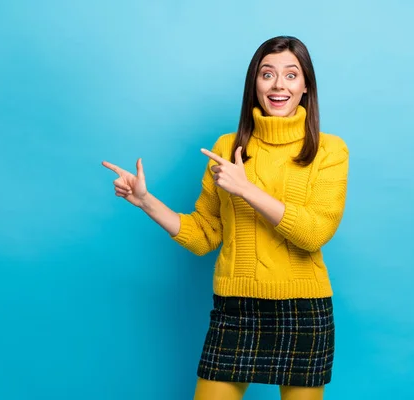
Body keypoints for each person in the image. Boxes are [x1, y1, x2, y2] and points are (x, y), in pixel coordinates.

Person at [102, 36, 349, 400]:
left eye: (291, 75)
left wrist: (246, 189)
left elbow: (314, 233)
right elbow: (204, 236)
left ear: (305, 87)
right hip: (235, 305)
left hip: (303, 309)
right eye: (267, 74)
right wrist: (145, 202)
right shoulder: (226, 147)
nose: (279, 85)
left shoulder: (329, 150)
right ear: (255, 84)